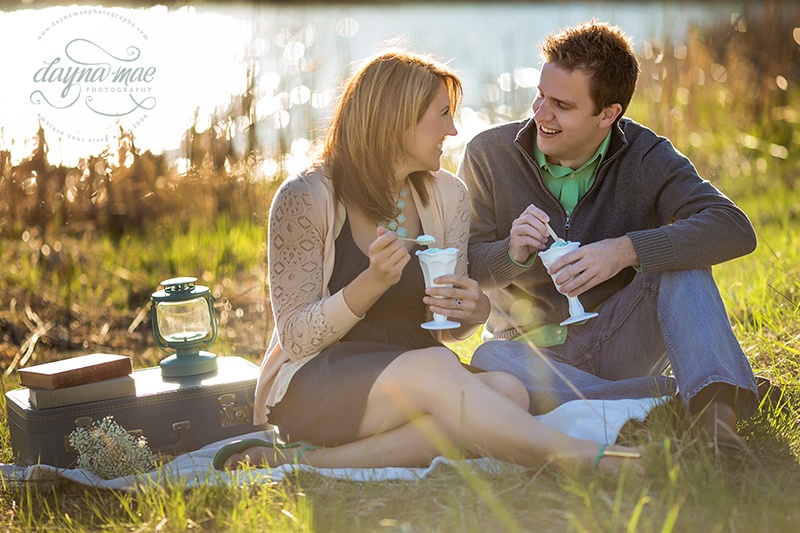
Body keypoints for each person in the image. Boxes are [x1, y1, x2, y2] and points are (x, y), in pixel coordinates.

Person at [213, 49, 642, 475]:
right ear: (396, 120)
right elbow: (296, 338)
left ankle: (307, 461)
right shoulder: (306, 196)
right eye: (442, 115)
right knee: (444, 373)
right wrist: (372, 282)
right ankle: (575, 456)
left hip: (415, 377)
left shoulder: (447, 195)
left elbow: (447, 326)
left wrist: (472, 313)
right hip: (318, 382)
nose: (454, 130)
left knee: (508, 391)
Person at [459, 20, 758, 449]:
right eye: (540, 95)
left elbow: (733, 227)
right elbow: (466, 265)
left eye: (561, 104)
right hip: (534, 356)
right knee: (490, 358)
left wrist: (626, 250)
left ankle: (716, 428)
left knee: (680, 263)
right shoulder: (487, 156)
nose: (542, 114)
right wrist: (512, 252)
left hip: (621, 339)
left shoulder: (646, 155)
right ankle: (682, 397)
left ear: (608, 114)